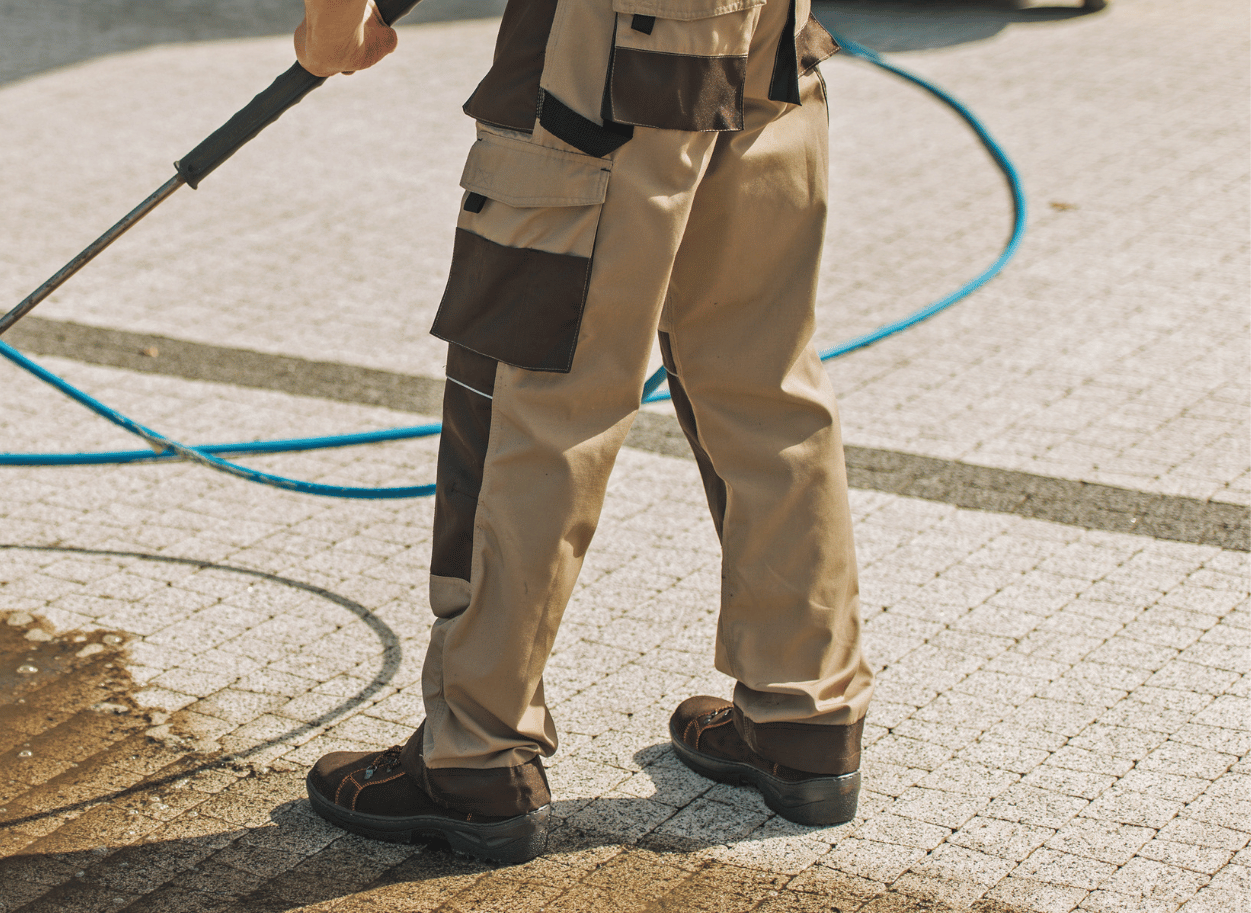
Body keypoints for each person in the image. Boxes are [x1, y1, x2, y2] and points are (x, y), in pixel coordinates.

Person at [296, 0, 874, 864]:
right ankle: (805, 718)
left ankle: (473, 757)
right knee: (764, 382)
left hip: (604, 52)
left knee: (536, 402)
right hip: (764, 34)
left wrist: (331, 23)